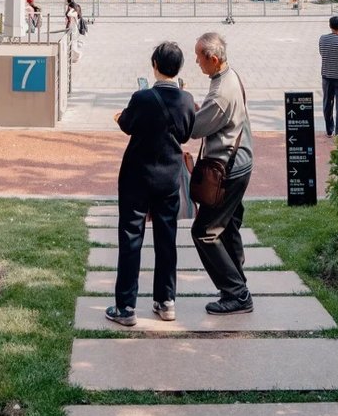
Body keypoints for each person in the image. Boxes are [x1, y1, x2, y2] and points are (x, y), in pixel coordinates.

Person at [106, 41, 195, 328]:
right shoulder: (185, 99)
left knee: (131, 238)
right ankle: (166, 301)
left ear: (154, 65)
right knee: (166, 239)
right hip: (169, 176)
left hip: (137, 175)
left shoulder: (142, 97)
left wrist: (121, 117)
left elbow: (128, 125)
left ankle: (126, 306)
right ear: (178, 68)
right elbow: (184, 134)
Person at [190, 31, 254, 316]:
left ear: (213, 59)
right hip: (239, 163)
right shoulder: (229, 77)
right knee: (228, 227)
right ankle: (237, 282)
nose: (196, 62)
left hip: (227, 168)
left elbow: (194, 129)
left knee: (204, 231)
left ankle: (237, 294)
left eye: (199, 58)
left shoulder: (220, 93)